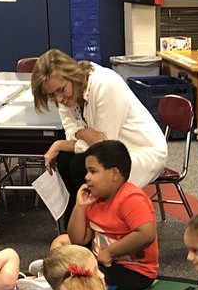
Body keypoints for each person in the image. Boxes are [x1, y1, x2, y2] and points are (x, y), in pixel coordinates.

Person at [31, 49, 168, 219]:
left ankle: (95, 225)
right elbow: (71, 134)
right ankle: (78, 223)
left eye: (61, 90)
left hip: (142, 151)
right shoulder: (66, 94)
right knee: (65, 159)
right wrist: (81, 134)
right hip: (110, 148)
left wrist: (70, 139)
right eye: (52, 95)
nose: (59, 99)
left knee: (81, 165)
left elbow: (105, 147)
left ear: (72, 76)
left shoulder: (105, 85)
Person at [50, 140, 158, 290]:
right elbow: (78, 239)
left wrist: (110, 252)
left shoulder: (131, 198)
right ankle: (57, 278)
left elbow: (146, 234)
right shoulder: (93, 198)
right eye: (87, 171)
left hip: (132, 271)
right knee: (60, 243)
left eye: (93, 171)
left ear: (114, 174)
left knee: (83, 280)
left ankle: (59, 283)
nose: (86, 177)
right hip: (99, 261)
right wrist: (79, 207)